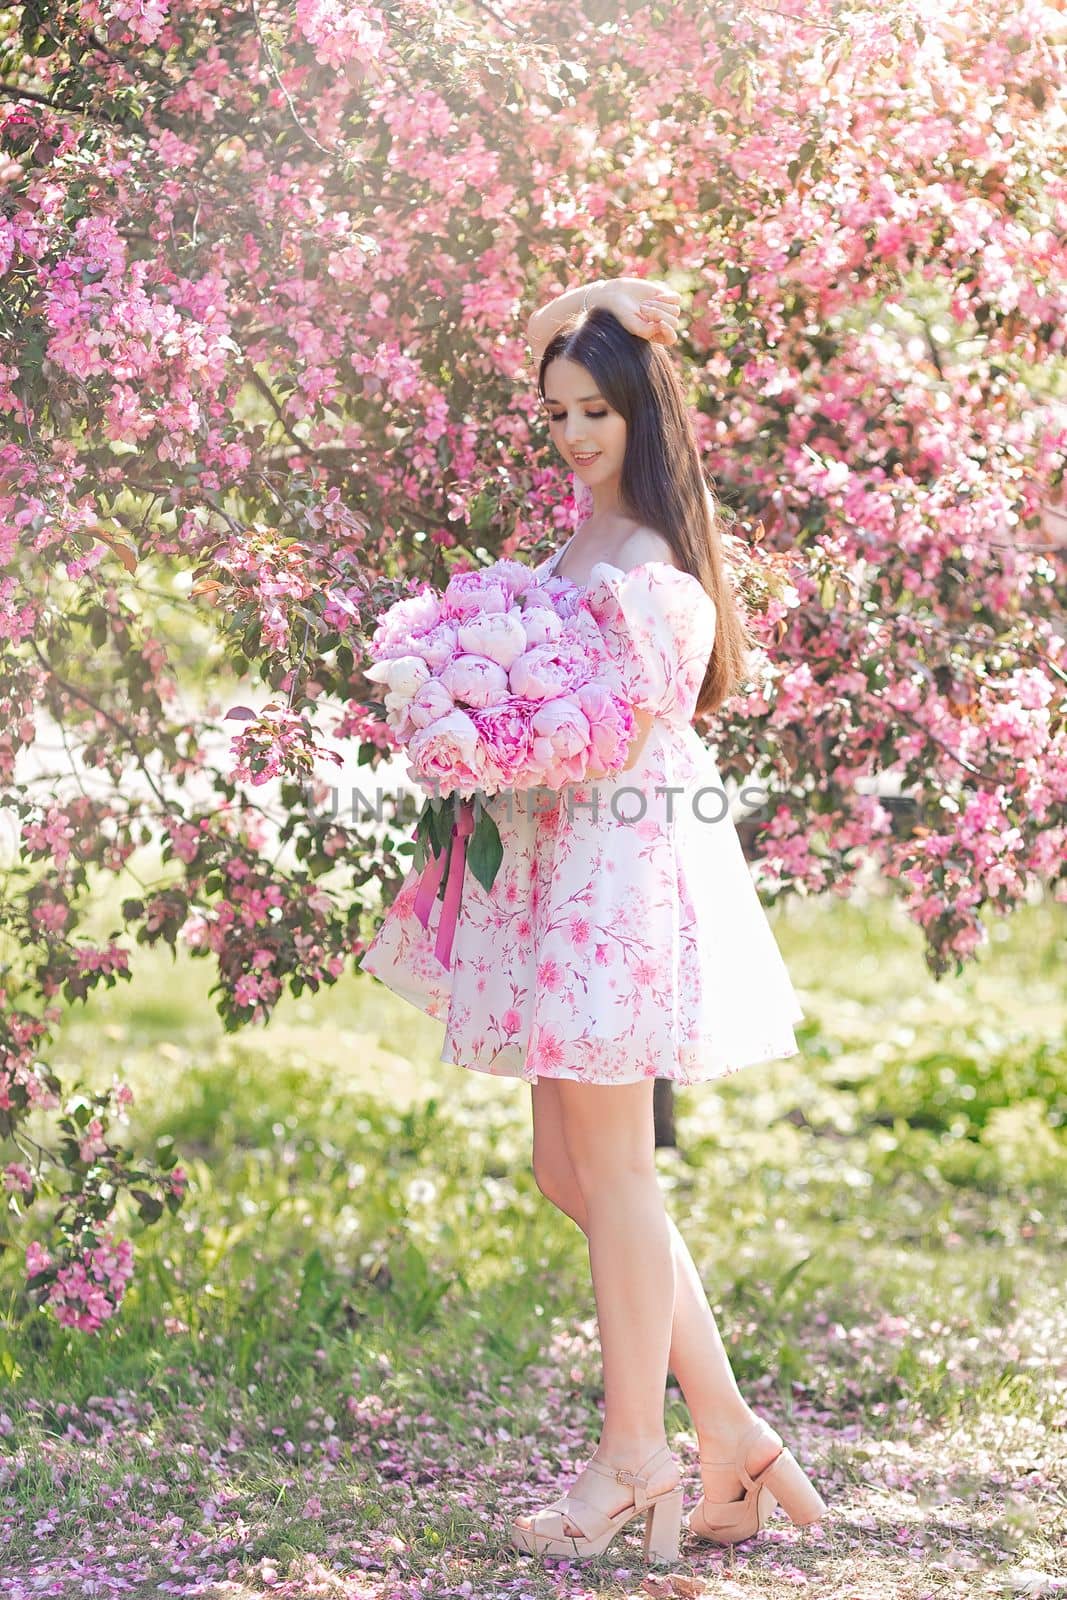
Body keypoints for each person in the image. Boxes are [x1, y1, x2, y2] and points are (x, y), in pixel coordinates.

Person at [357, 276, 826, 1563]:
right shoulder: (576, 542)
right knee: (565, 1169)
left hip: (612, 890)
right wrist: (461, 708)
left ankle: (635, 1457)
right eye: (555, 412)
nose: (571, 436)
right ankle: (724, 1432)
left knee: (612, 1169)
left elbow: (623, 733)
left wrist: (500, 718)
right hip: (552, 880)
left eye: (596, 414)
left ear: (642, 416)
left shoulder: (651, 568)